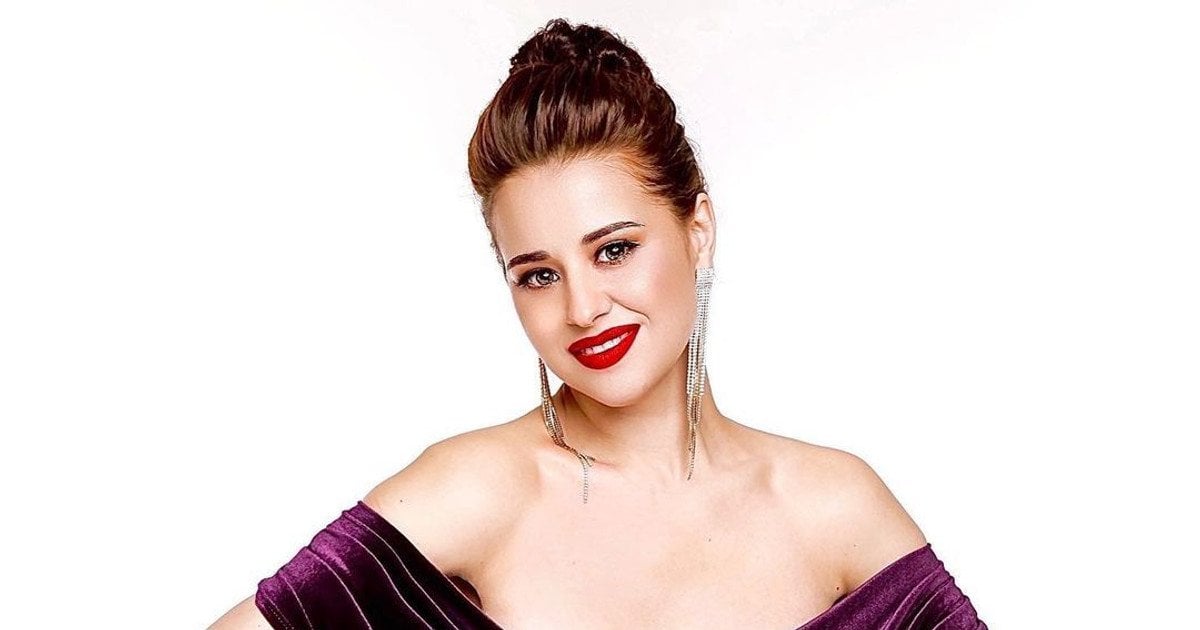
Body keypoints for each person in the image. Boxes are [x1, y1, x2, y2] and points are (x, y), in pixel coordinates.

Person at [211, 18, 986, 630]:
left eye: (613, 250)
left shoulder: (833, 508)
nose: (582, 309)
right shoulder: (476, 490)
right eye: (539, 274)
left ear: (698, 231)